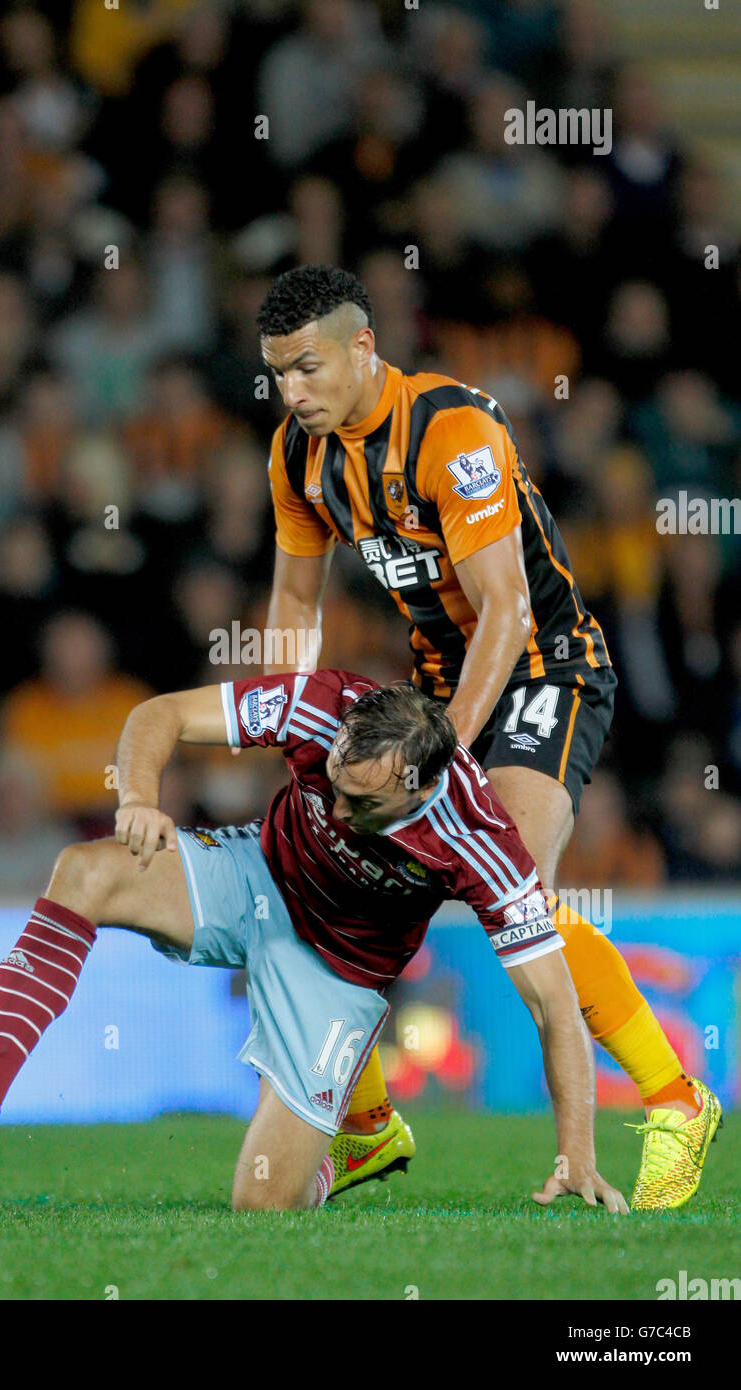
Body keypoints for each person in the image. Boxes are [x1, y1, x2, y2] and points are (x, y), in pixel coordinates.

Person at [258, 265, 720, 1211]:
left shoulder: (451, 429)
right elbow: (295, 602)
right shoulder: (298, 459)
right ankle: (370, 1125)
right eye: (276, 374)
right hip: (439, 680)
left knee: (514, 890)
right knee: (332, 877)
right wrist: (287, 720)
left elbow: (506, 609)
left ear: (362, 348)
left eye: (306, 368)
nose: (291, 392)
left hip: (544, 664)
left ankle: (676, 1098)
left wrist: (439, 760)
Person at [0, 669, 629, 1214]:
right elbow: (157, 713)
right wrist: (138, 799)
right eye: (333, 785)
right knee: (83, 870)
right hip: (252, 874)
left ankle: (355, 1145)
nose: (339, 809)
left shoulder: (480, 841)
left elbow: (554, 1009)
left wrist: (576, 1152)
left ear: (422, 792)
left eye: (364, 806)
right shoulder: (319, 705)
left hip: (334, 976)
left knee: (261, 1204)